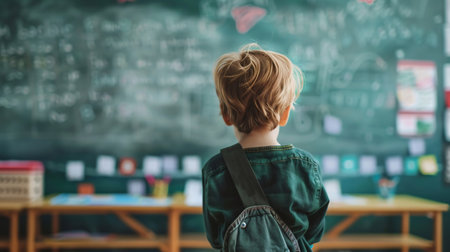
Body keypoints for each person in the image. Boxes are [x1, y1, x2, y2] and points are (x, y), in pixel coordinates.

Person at [202, 43, 329, 251]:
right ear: (286, 114)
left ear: (225, 115)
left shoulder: (216, 170)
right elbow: (314, 233)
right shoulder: (305, 167)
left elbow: (216, 238)